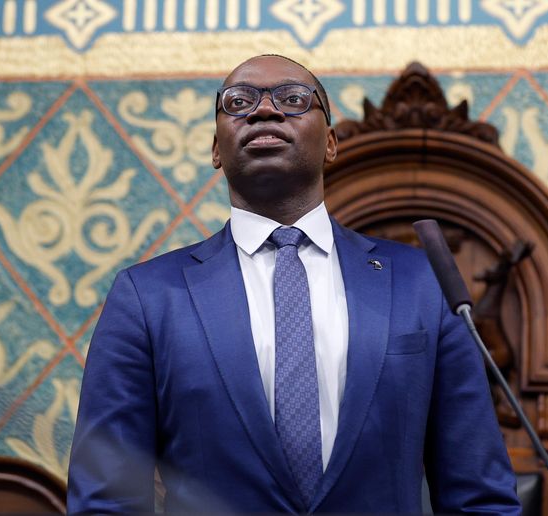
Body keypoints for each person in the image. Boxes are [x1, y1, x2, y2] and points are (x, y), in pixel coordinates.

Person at [68, 54, 521, 513]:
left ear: (329, 143)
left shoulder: (420, 283)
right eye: (239, 101)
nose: (264, 110)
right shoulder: (146, 298)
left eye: (293, 98)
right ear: (215, 150)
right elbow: (107, 499)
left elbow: (478, 495)